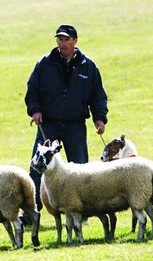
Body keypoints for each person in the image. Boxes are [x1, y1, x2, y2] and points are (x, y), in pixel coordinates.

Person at [23, 24, 108, 222]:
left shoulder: (88, 66)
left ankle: (82, 212)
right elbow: (32, 89)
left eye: (66, 39)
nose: (63, 43)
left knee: (81, 170)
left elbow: (98, 95)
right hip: (48, 124)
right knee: (38, 167)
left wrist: (99, 118)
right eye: (60, 39)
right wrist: (35, 110)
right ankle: (30, 213)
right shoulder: (45, 64)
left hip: (75, 125)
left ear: (75, 41)